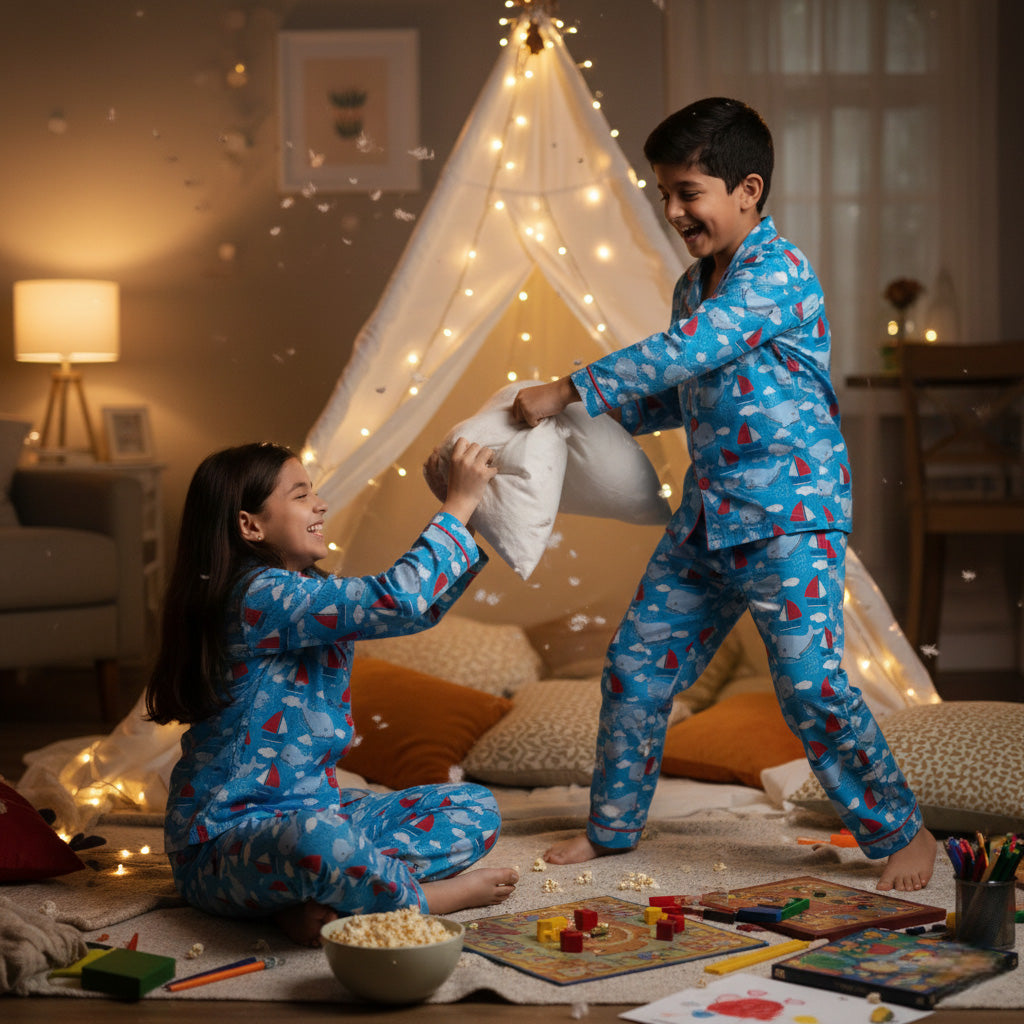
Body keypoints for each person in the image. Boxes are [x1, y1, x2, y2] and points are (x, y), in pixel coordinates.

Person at [511, 97, 936, 892]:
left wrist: (571, 384)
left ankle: (902, 831)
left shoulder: (779, 273)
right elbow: (687, 389)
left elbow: (693, 349)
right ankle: (612, 828)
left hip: (788, 518)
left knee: (810, 684)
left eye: (687, 193)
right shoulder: (690, 286)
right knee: (635, 668)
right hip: (708, 518)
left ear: (747, 190)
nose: (672, 210)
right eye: (664, 193)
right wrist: (571, 419)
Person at [145, 439, 518, 947]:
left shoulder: (306, 594)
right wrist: (456, 504)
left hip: (317, 811)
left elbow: (415, 609)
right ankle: (424, 900)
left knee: (474, 808)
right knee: (319, 842)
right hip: (223, 842)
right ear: (250, 525)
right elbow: (400, 599)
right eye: (301, 495)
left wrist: (464, 511)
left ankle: (309, 901)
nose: (320, 505)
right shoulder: (257, 595)